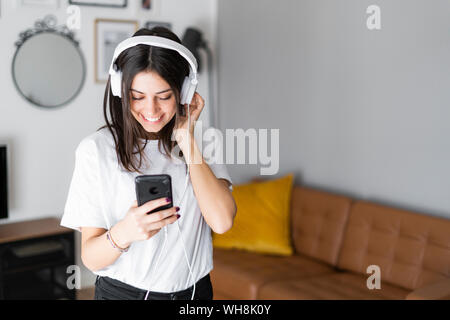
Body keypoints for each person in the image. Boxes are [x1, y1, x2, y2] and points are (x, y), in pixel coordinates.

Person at [60, 27, 237, 300]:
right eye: (138, 96)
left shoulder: (204, 141)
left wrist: (186, 139)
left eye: (164, 96)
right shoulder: (95, 151)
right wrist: (125, 232)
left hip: (195, 294)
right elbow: (92, 259)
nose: (151, 111)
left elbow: (222, 221)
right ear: (121, 90)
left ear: (185, 90)